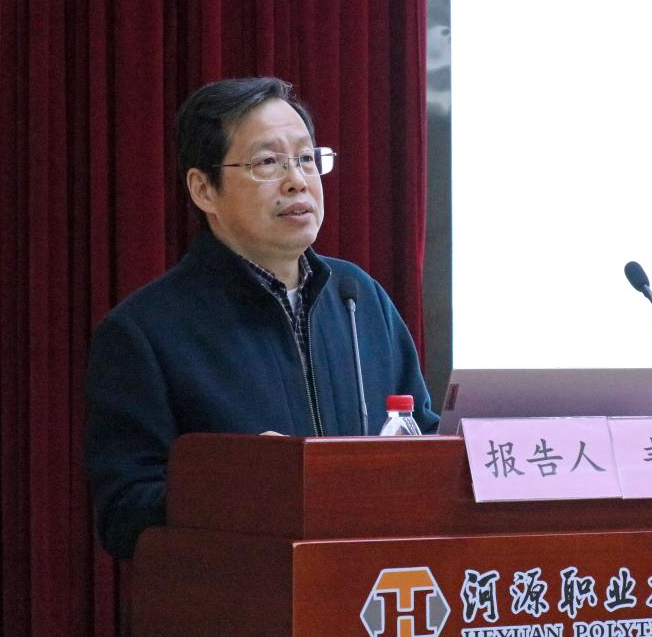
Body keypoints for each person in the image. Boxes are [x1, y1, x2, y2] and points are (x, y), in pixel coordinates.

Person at [85, 77, 438, 559]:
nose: (297, 181)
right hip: (246, 589)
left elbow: (423, 438)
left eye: (307, 158)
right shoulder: (144, 333)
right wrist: (242, 482)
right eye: (268, 162)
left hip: (374, 585)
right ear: (204, 189)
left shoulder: (358, 298)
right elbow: (124, 512)